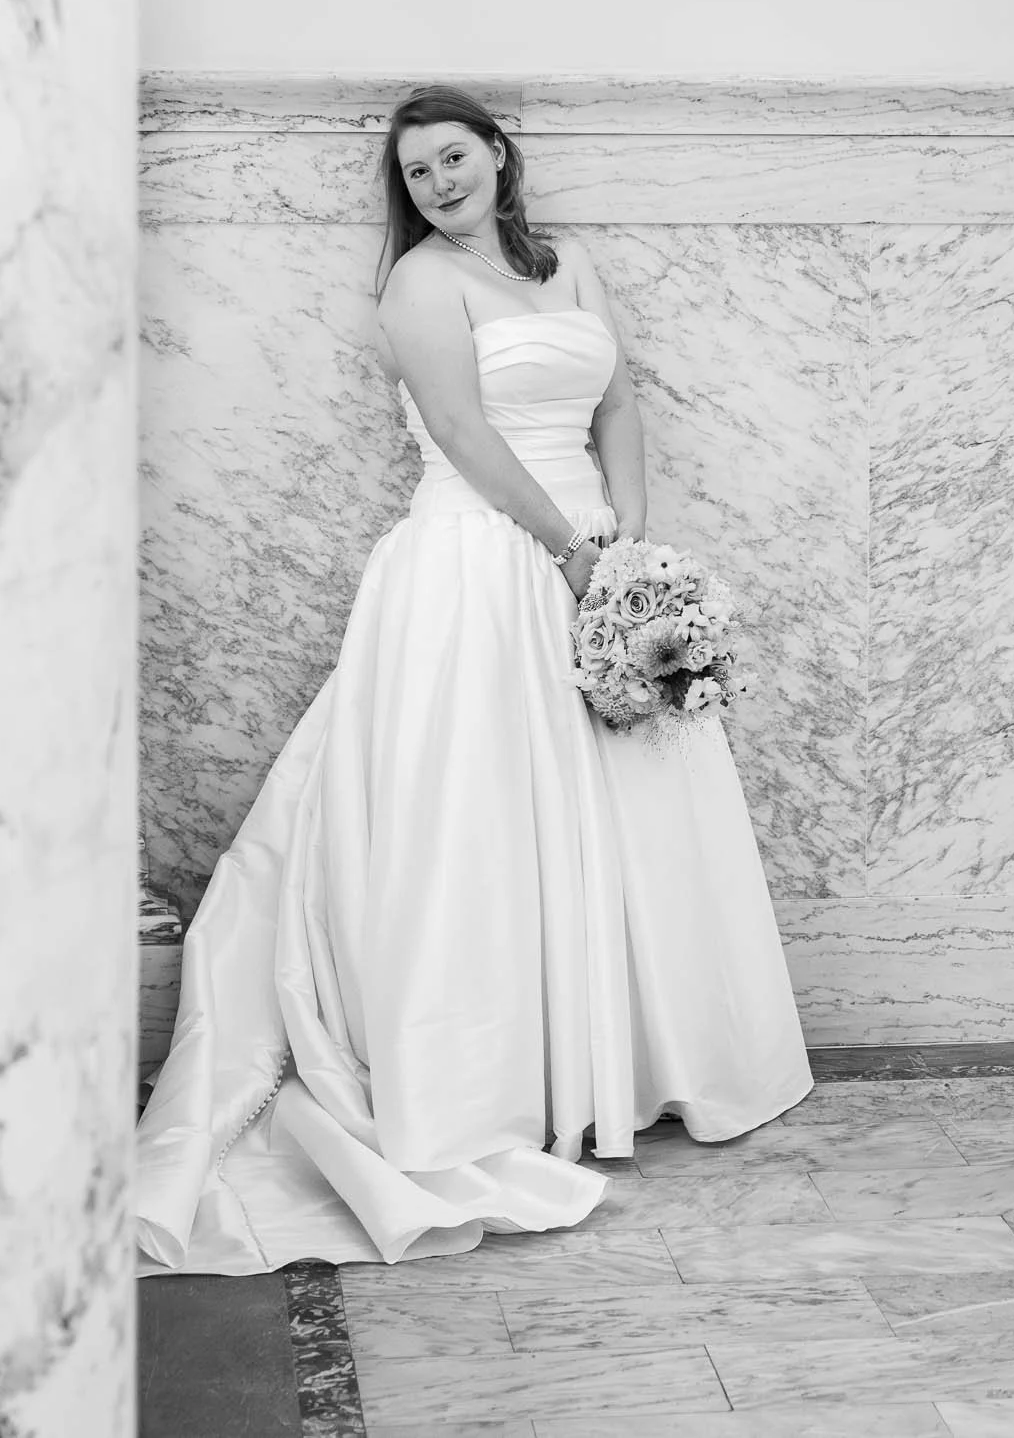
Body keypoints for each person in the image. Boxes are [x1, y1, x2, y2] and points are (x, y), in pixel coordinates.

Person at [135, 84, 812, 1272]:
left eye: (455, 157)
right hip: (477, 558)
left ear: (499, 155)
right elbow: (459, 426)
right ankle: (496, 1082)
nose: (440, 182)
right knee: (486, 815)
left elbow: (616, 401)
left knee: (625, 809)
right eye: (417, 172)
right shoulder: (417, 284)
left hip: (592, 547)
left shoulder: (573, 264)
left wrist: (625, 555)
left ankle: (645, 1064)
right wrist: (564, 548)